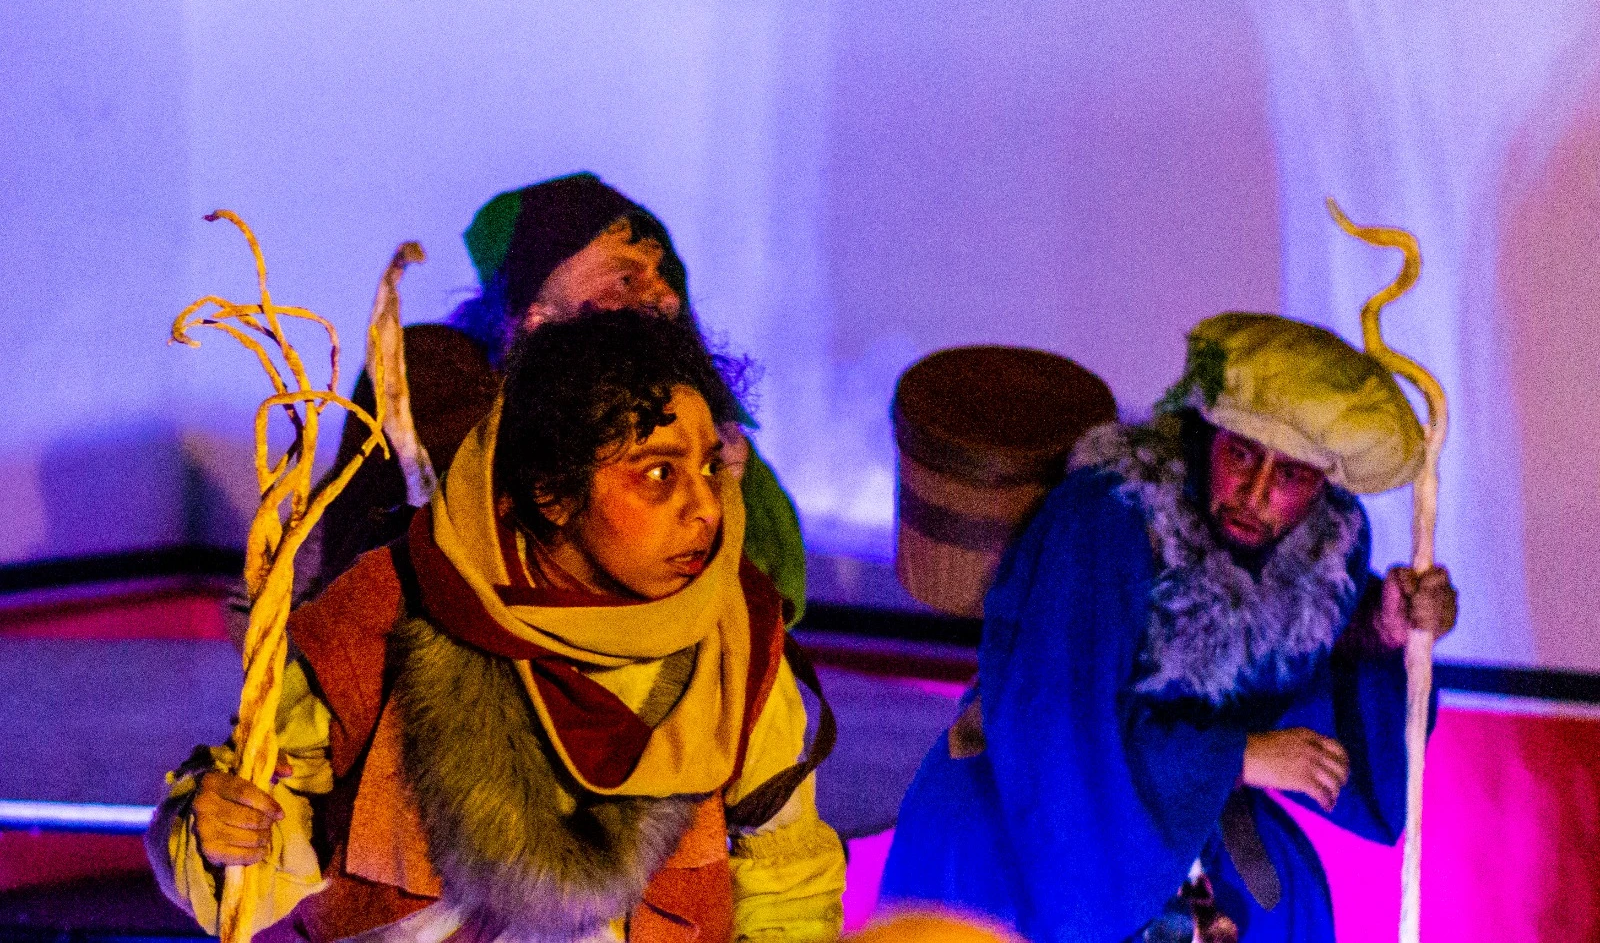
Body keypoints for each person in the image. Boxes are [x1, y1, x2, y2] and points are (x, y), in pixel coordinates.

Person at [148, 310, 846, 942]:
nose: (707, 507)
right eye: (659, 474)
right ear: (552, 491)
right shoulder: (389, 610)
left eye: (710, 467)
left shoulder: (735, 636)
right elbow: (266, 834)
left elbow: (785, 880)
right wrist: (216, 832)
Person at [879, 312, 1459, 942]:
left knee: (1286, 911)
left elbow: (1294, 663)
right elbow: (1059, 725)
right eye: (1241, 454)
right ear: (1207, 435)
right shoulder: (1106, 521)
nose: (1254, 493)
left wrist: (1382, 629)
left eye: (1290, 475)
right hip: (1045, 823)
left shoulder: (1315, 555)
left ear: (1322, 486)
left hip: (1188, 817)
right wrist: (1237, 757)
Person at [314, 172, 809, 625]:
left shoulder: (696, 418)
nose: (666, 297)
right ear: (536, 316)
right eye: (626, 278)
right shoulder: (434, 369)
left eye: (665, 275)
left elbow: (779, 593)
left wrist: (727, 480)